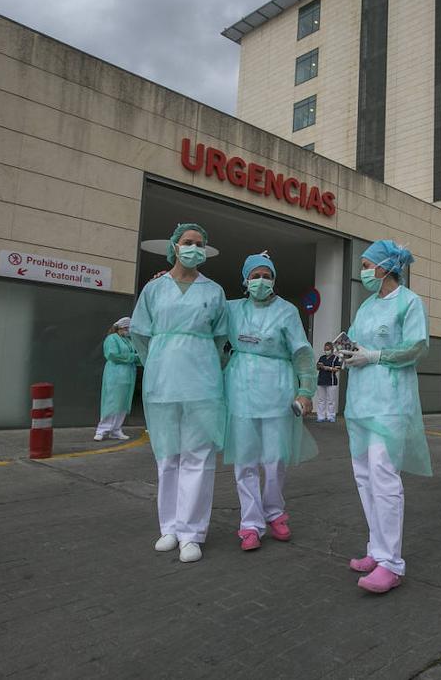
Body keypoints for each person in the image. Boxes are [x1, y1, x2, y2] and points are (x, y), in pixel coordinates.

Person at [129, 223, 228, 564]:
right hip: (163, 383)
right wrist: (157, 363)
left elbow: (218, 339)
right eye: (188, 242)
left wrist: (200, 362)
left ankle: (191, 532)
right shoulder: (154, 289)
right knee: (167, 457)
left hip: (202, 383)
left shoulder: (213, 291)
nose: (194, 248)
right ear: (174, 246)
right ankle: (169, 527)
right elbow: (140, 335)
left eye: (200, 244)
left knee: (198, 457)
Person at [340, 240, 431, 594]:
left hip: (391, 401)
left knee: (383, 473)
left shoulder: (409, 302)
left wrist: (374, 356)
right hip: (360, 400)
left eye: (366, 264)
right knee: (364, 475)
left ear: (385, 267)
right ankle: (376, 550)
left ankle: (392, 563)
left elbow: (416, 347)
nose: (362, 271)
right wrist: (347, 353)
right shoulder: (366, 306)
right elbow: (357, 342)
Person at [222, 252, 318, 551]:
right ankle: (250, 523)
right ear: (245, 280)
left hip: (277, 387)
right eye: (255, 276)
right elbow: (199, 314)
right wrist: (165, 280)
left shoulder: (287, 311)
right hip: (239, 387)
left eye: (267, 276)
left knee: (274, 458)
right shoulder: (230, 309)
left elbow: (301, 351)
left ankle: (274, 512)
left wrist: (306, 390)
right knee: (245, 459)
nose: (261, 281)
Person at [95, 316, 137, 441]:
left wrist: (137, 357)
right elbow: (112, 354)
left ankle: (116, 430)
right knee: (111, 401)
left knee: (123, 403)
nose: (128, 331)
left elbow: (136, 355)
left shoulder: (128, 340)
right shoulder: (112, 339)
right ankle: (102, 430)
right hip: (115, 374)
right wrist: (133, 357)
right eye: (127, 328)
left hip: (128, 374)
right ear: (121, 327)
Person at [314, 342, 343, 423]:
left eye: (328, 349)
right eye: (325, 349)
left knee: (331, 400)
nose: (326, 351)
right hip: (321, 380)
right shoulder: (322, 357)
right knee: (321, 400)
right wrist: (319, 366)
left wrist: (327, 368)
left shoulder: (335, 358)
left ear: (332, 349)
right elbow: (317, 367)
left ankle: (331, 416)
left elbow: (337, 369)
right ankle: (321, 416)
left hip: (331, 381)